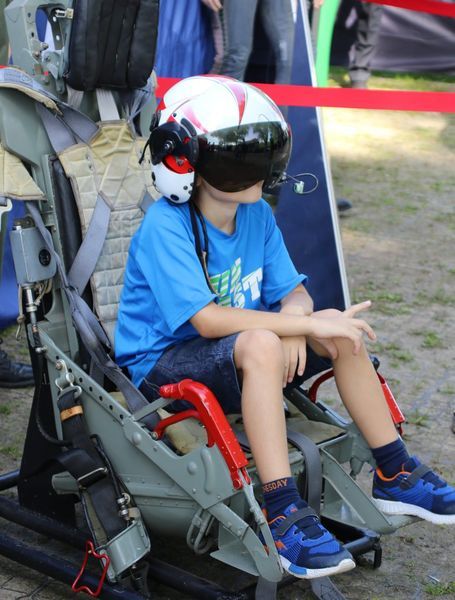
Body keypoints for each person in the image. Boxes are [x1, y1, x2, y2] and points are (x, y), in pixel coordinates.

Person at [116, 76, 455, 579]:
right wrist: (286, 329)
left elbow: (293, 293)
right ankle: (281, 512)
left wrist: (300, 326)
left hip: (239, 353)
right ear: (184, 165)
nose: (261, 171)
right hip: (161, 368)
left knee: (336, 328)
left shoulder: (255, 213)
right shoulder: (167, 227)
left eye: (264, 157)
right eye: (241, 161)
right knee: (262, 342)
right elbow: (207, 321)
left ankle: (395, 471)